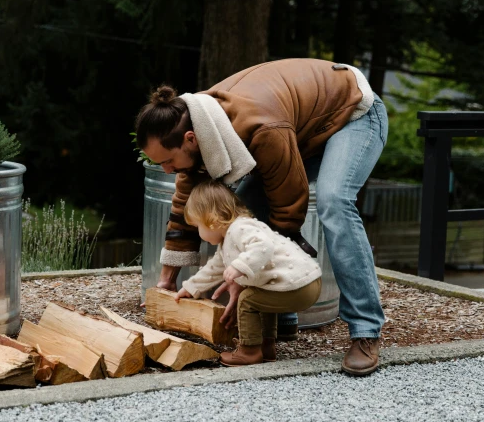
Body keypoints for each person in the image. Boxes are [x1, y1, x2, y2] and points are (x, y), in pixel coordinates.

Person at [134, 58, 388, 376]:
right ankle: (277, 322)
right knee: (241, 213)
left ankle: (365, 331)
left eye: (169, 161)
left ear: (190, 140)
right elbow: (187, 206)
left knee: (333, 201)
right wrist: (167, 280)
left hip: (353, 113)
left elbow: (288, 207)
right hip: (302, 130)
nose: (167, 170)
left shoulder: (262, 127)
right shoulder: (193, 125)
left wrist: (245, 276)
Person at [174, 180, 321, 366]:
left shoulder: (239, 229)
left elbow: (263, 246)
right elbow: (214, 269)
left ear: (211, 220)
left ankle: (249, 351)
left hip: (301, 285)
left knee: (247, 300)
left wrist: (239, 266)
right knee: (261, 300)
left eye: (198, 226)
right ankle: (266, 347)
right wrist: (191, 287)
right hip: (303, 284)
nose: (198, 233)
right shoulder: (228, 239)